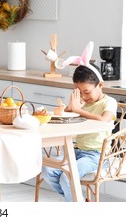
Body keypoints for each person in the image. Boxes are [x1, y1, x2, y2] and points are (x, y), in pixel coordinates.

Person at [41, 47, 117, 201]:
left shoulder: (109, 102)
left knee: (66, 177)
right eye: (78, 91)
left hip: (97, 156)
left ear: (100, 85)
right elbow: (68, 118)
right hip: (76, 151)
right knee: (47, 170)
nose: (83, 95)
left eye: (87, 91)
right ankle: (80, 204)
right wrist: (69, 108)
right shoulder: (82, 102)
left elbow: (104, 120)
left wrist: (78, 110)